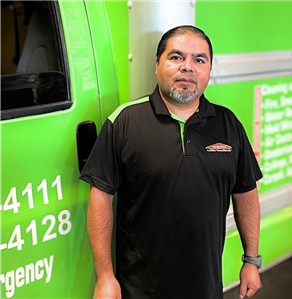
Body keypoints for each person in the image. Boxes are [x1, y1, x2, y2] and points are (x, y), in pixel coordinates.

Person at [80, 25, 262, 299]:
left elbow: (245, 192)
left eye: (199, 60)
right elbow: (101, 198)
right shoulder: (125, 122)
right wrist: (105, 276)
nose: (188, 67)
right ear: (157, 64)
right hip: (140, 289)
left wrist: (251, 260)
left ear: (209, 69)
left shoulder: (229, 125)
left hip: (206, 287)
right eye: (176, 57)